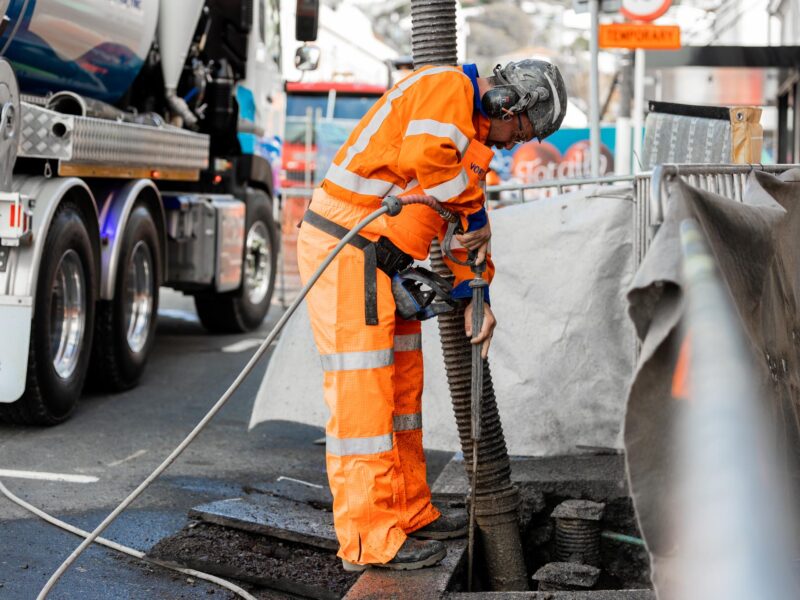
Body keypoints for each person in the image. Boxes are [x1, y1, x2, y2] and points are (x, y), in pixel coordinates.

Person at [297, 59, 567, 572]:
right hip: (347, 249)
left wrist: (476, 293)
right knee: (363, 401)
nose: (513, 145)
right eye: (520, 132)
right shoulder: (447, 90)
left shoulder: (467, 143)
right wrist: (474, 213)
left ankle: (407, 510)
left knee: (400, 392)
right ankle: (367, 538)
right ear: (507, 103)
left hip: (381, 261)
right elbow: (435, 167)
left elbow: (466, 230)